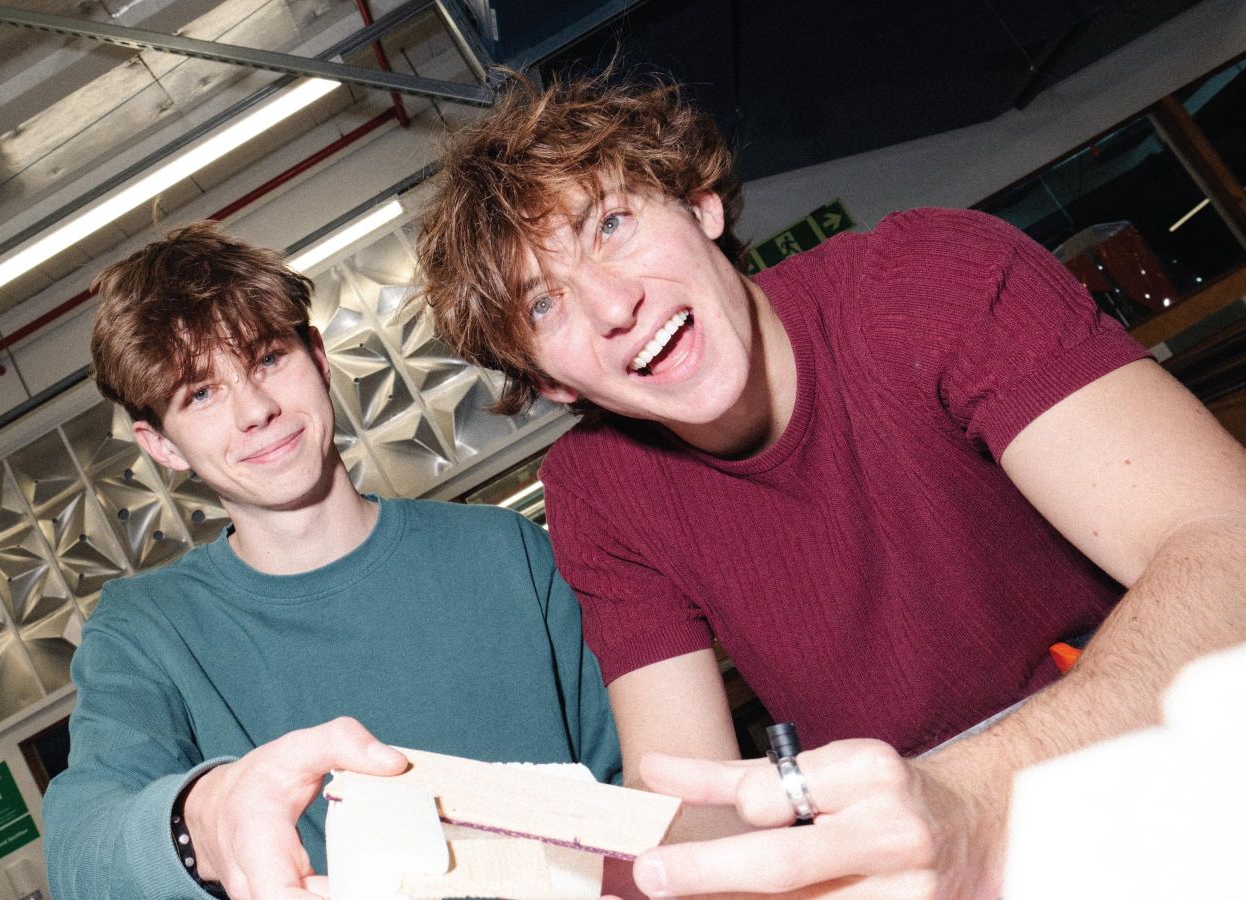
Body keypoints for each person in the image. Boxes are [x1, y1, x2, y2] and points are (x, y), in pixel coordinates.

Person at [414, 69, 1246, 898]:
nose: (611, 305)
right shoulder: (598, 490)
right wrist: (481, 855)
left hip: (1180, 773)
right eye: (543, 305)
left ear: (700, 204)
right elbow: (689, 802)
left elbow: (1224, 539)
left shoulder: (927, 277)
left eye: (611, 224)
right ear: (549, 383)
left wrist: (973, 797)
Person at [41, 221, 622, 900]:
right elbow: (82, 854)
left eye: (267, 359)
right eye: (199, 394)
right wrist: (211, 816)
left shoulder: (504, 551)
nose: (255, 409)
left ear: (318, 358)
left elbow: (634, 787)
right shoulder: (145, 632)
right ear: (162, 446)